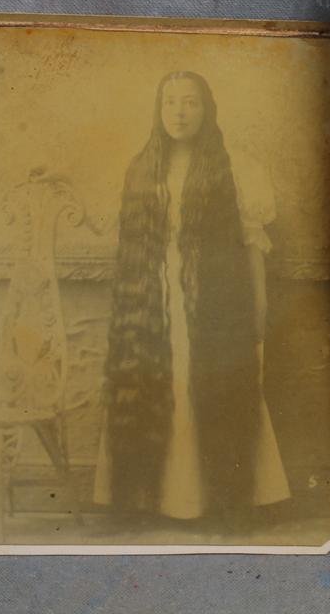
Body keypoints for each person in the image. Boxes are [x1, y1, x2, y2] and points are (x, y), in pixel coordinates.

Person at [95, 70, 290, 527]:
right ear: (158, 110)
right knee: (156, 384)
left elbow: (251, 244)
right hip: (150, 303)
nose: (179, 113)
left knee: (214, 386)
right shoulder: (142, 169)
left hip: (215, 302)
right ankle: (151, 499)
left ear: (208, 110)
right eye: (170, 103)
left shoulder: (236, 167)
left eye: (190, 103)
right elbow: (131, 253)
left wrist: (259, 305)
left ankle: (220, 498)